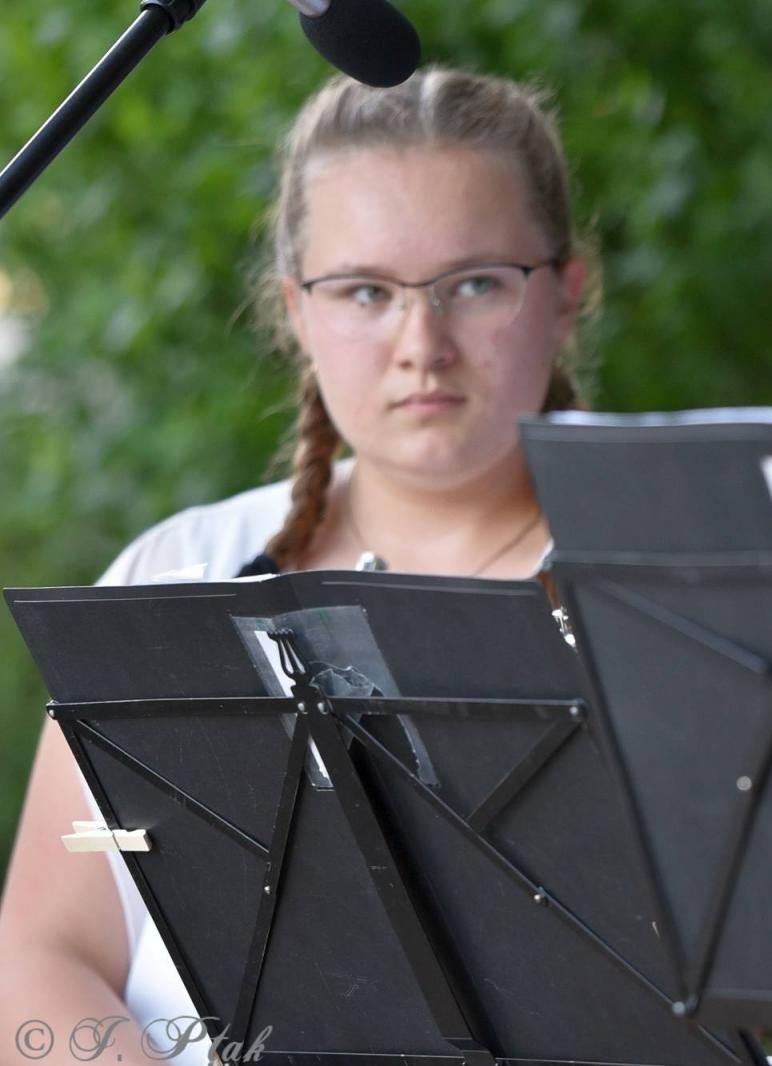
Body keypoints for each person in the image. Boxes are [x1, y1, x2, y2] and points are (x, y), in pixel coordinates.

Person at [0, 66, 592, 1065]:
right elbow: (43, 948)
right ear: (295, 310)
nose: (422, 344)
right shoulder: (174, 571)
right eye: (365, 290)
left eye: (477, 283)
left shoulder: (678, 575)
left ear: (569, 292)